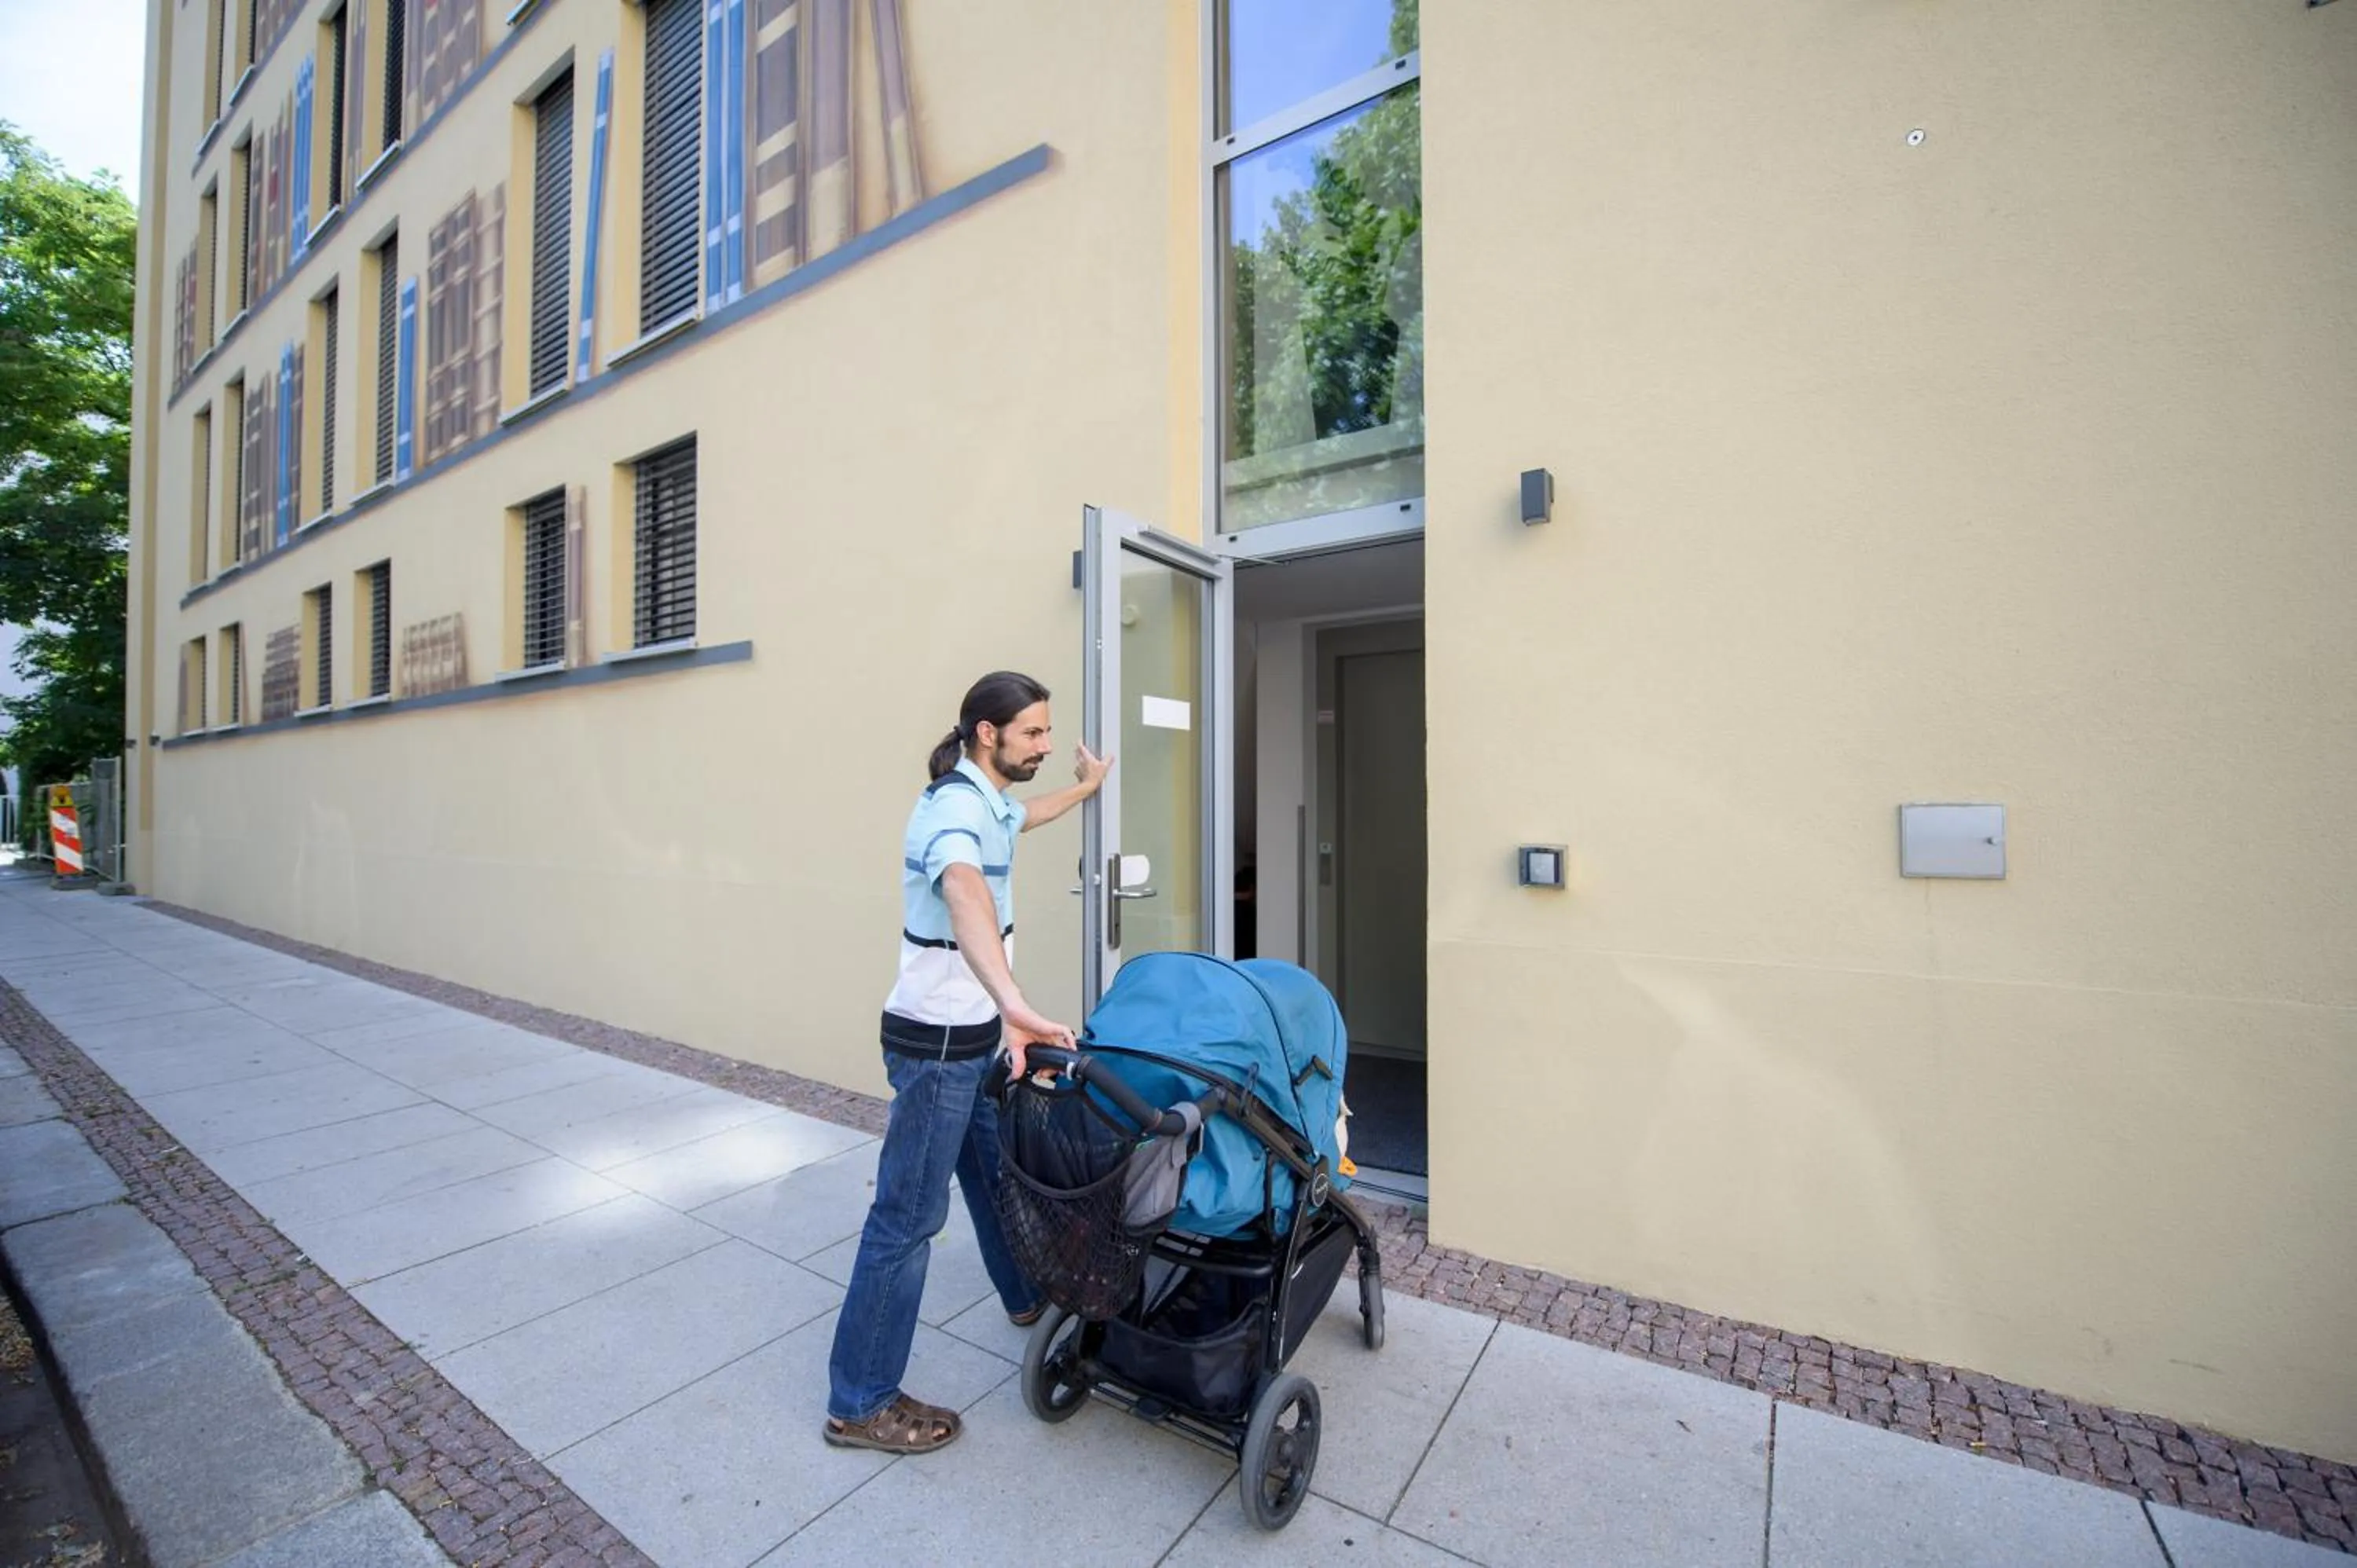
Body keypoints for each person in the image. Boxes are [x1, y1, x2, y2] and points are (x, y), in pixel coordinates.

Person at [823, 670, 1113, 1454]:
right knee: (906, 1222)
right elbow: (962, 889)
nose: (1047, 745)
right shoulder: (954, 807)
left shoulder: (985, 799)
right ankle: (860, 1399)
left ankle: (1026, 1296)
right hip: (941, 1046)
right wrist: (1014, 1000)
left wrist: (1087, 790)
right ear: (990, 733)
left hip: (972, 1035)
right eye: (1034, 734)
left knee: (991, 1172)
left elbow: (1024, 817)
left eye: (1050, 732)